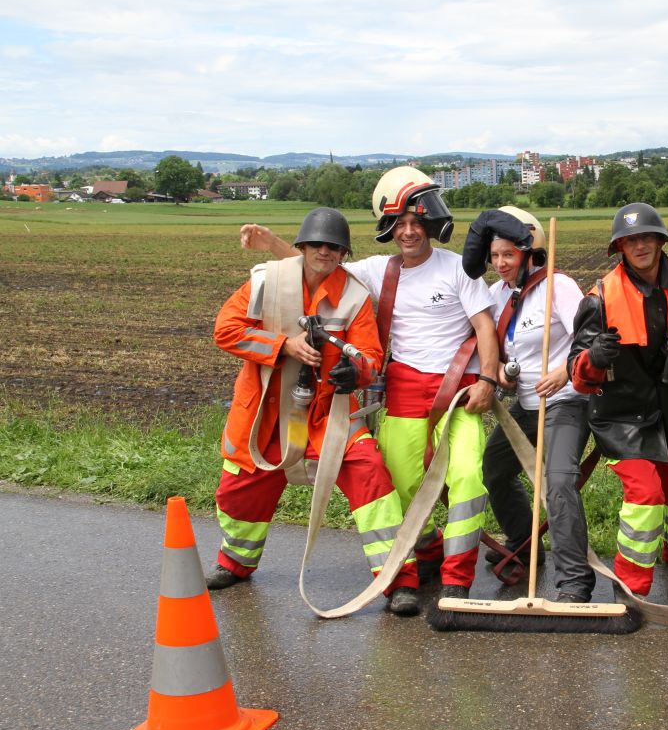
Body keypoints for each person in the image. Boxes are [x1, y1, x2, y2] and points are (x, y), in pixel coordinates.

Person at [240, 168, 499, 614]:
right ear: (389, 229)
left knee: (466, 480)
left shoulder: (459, 268)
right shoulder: (379, 271)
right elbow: (319, 266)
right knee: (399, 487)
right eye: (400, 224)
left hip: (458, 392)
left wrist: (489, 381)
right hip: (402, 392)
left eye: (416, 223)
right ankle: (426, 551)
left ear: (431, 226)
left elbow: (485, 328)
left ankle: (458, 579)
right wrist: (272, 244)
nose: (409, 232)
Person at [206, 206, 414, 615]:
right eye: (317, 244)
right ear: (301, 247)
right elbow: (225, 331)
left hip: (327, 415)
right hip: (266, 414)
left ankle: (398, 579)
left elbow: (370, 356)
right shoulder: (266, 282)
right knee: (239, 491)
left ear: (343, 253)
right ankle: (235, 562)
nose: (325, 251)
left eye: (334, 247)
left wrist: (354, 372)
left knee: (371, 475)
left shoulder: (354, 297)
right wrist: (283, 345)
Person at [568, 202, 668, 596]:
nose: (639, 246)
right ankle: (631, 587)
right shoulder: (600, 297)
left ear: (659, 240)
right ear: (620, 248)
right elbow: (577, 371)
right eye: (630, 241)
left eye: (646, 238)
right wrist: (595, 358)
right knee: (646, 496)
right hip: (620, 415)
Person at [462, 206, 596, 603]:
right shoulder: (497, 295)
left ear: (528, 252)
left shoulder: (558, 286)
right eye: (495, 256)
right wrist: (502, 374)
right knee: (494, 468)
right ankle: (523, 543)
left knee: (558, 482)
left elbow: (589, 338)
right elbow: (496, 350)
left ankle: (575, 582)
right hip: (524, 403)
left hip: (565, 402)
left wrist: (565, 371)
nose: (501, 263)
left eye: (509, 254)